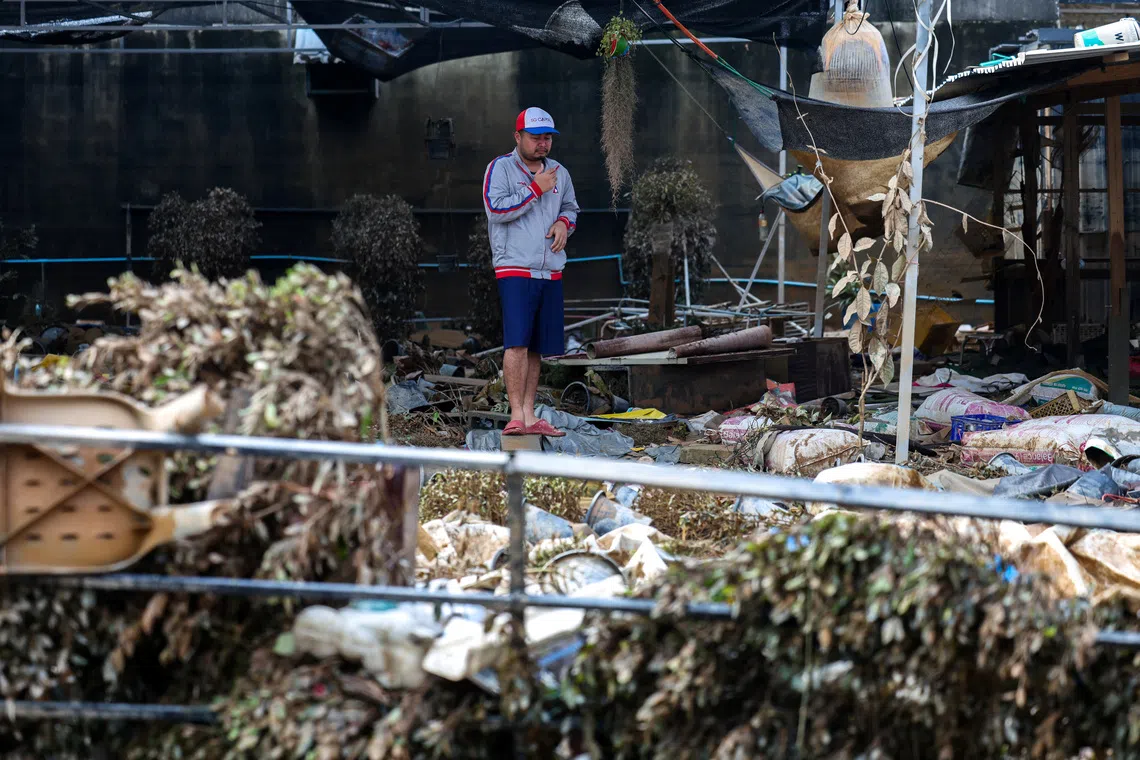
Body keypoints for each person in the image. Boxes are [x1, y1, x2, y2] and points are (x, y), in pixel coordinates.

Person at [482, 107, 579, 437]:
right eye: (536, 138)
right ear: (518, 137)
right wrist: (535, 189)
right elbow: (496, 210)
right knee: (517, 343)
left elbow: (570, 208)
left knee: (538, 345)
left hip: (550, 270)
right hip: (515, 267)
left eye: (547, 138)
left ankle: (530, 413)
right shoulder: (500, 168)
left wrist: (565, 224)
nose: (543, 144)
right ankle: (515, 415)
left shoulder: (559, 172)